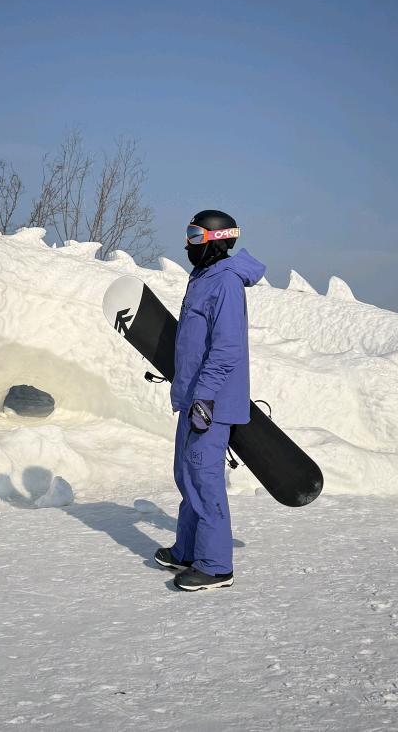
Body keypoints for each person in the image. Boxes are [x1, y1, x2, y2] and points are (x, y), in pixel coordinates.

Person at [155, 210, 265, 591]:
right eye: (187, 234)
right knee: (186, 477)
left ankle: (217, 566)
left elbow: (226, 349)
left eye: (195, 236)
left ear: (217, 240)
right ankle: (187, 550)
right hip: (191, 398)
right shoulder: (201, 277)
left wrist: (204, 398)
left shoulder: (226, 284)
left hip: (211, 403)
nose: (187, 243)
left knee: (205, 480)